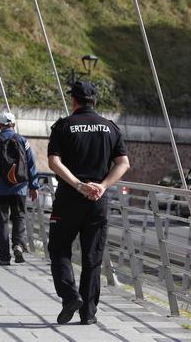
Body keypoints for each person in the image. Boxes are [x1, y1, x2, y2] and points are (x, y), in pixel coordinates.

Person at [47, 81, 130, 325]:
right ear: (95, 101)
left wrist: (78, 185)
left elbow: (54, 162)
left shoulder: (63, 126)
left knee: (59, 250)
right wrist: (102, 186)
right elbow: (123, 163)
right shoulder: (110, 128)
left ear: (73, 100)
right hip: (97, 201)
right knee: (92, 257)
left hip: (69, 199)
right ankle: (88, 313)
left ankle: (70, 296)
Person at [0, 112, 39, 265]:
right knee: (19, 217)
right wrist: (34, 186)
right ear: (14, 124)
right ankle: (18, 245)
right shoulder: (23, 141)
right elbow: (31, 164)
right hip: (19, 188)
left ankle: (4, 256)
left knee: (1, 222)